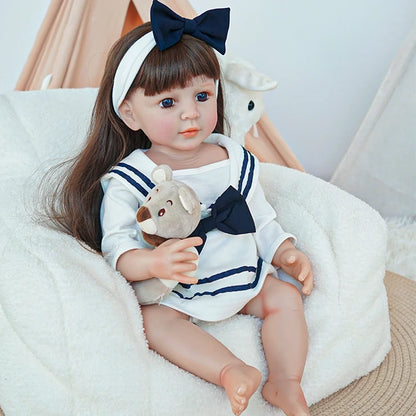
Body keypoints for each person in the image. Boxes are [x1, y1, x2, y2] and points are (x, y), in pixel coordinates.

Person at [47, 1, 314, 415]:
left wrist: (284, 251)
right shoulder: (132, 177)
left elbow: (261, 217)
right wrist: (153, 264)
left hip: (240, 271)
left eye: (202, 95)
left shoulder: (233, 159)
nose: (191, 113)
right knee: (154, 324)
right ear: (130, 113)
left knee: (285, 298)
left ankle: (286, 382)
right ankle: (230, 370)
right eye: (168, 103)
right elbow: (118, 249)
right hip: (178, 291)